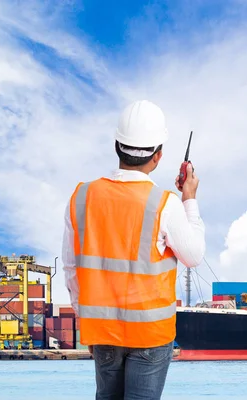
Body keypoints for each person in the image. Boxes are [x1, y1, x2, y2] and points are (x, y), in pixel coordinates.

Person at [62, 100, 205, 399]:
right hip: (150, 336)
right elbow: (193, 256)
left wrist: (84, 319)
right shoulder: (165, 203)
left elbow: (71, 268)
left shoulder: (81, 196)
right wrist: (189, 198)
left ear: (116, 145)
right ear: (158, 157)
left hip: (101, 331)